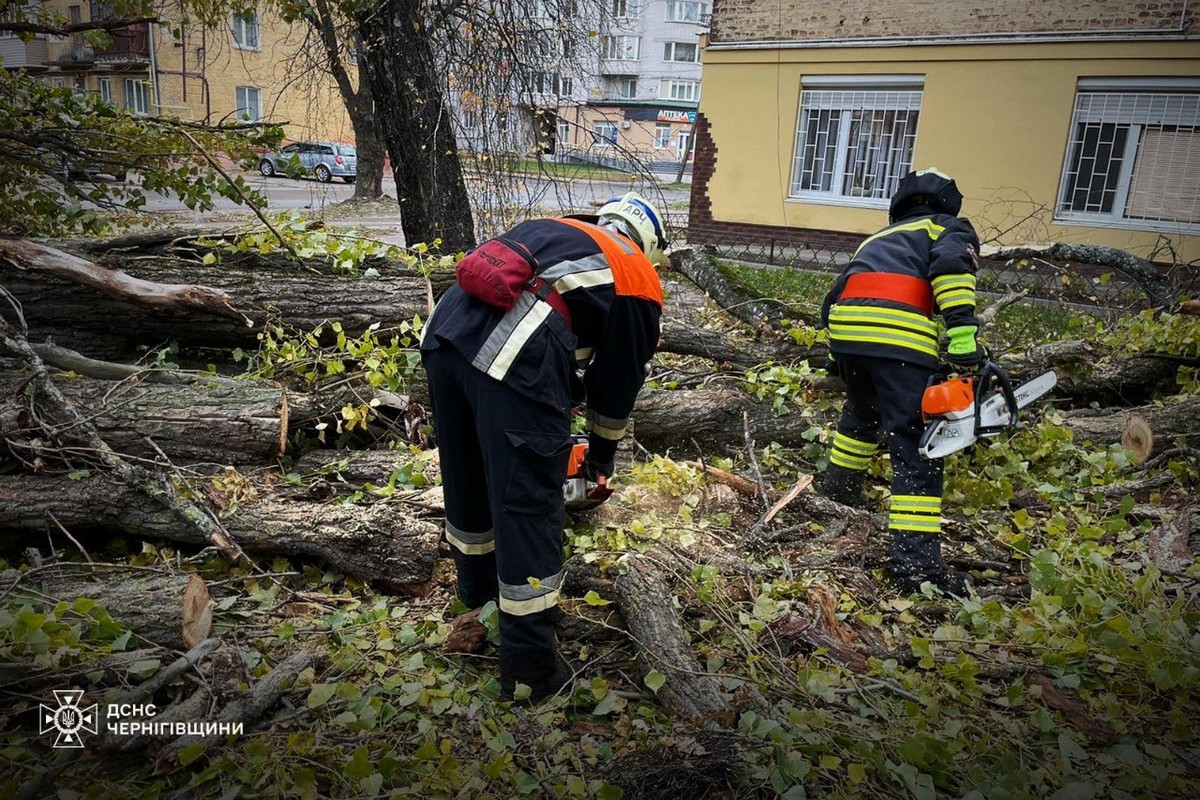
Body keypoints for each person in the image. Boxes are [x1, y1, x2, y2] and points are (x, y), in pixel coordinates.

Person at [419, 192, 667, 701]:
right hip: (512, 354)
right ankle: (531, 672)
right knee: (528, 509)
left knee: (470, 483)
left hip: (444, 336)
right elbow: (617, 383)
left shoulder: (559, 228)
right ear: (649, 244)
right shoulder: (636, 273)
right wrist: (600, 457)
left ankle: (479, 603)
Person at [819, 168, 983, 595]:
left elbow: (832, 297)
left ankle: (835, 497)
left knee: (860, 416)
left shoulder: (876, 240)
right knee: (916, 446)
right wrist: (963, 335)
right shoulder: (948, 228)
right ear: (947, 202)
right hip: (898, 340)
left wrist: (839, 351)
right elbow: (951, 267)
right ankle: (915, 569)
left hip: (848, 331)